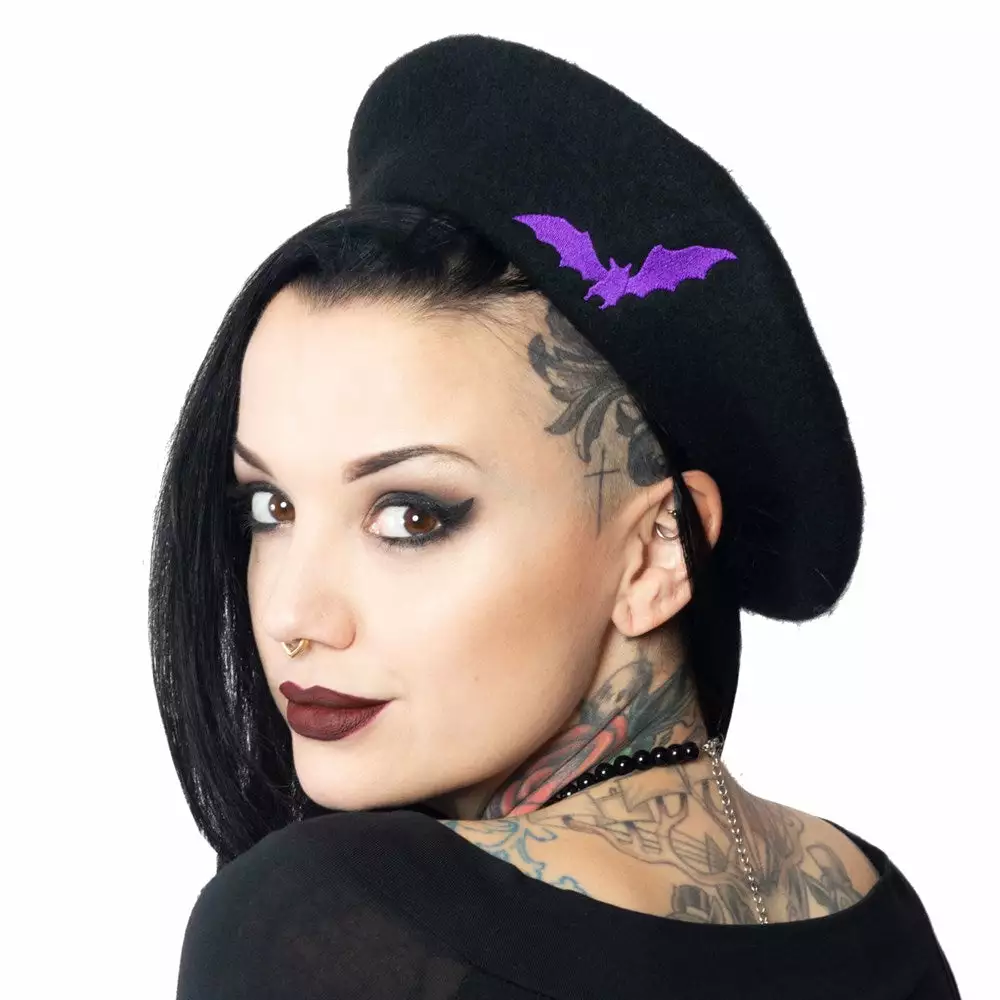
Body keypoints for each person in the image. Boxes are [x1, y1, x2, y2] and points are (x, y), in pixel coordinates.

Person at [153, 35, 961, 999]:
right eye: (269, 507)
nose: (294, 614)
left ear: (657, 551)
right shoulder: (871, 904)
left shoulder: (335, 923)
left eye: (410, 518)